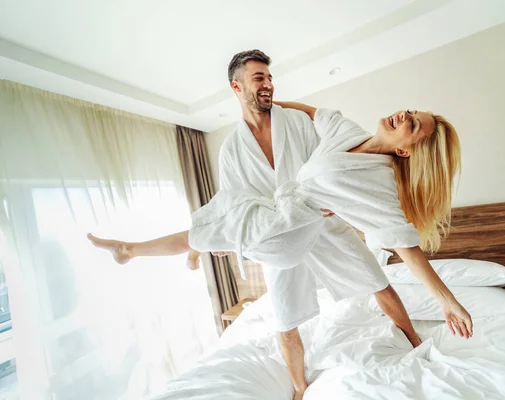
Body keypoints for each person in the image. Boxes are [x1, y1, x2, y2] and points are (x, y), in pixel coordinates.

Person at [87, 50, 472, 400]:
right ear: (237, 88)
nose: (268, 84)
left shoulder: (372, 174)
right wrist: (242, 229)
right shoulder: (254, 145)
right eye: (259, 79)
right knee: (284, 316)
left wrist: (447, 300)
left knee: (379, 283)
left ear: (406, 148)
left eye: (270, 78)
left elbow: (403, 243)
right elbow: (301, 125)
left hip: (318, 225)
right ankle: (300, 388)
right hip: (281, 228)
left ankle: (412, 338)